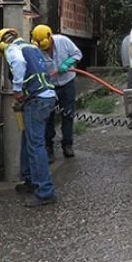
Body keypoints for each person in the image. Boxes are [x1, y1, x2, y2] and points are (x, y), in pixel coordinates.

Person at [0, 29, 57, 207]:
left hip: (36, 100)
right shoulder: (31, 47)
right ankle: (30, 180)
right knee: (29, 139)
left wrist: (17, 89)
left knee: (36, 145)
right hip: (48, 97)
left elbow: (19, 64)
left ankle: (45, 192)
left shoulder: (12, 49)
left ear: (2, 43)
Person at [31, 24, 82, 160]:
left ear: (50, 38)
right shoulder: (36, 50)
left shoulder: (63, 41)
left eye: (47, 47)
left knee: (68, 114)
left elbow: (78, 54)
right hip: (49, 85)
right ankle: (48, 147)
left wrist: (67, 63)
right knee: (48, 116)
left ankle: (67, 144)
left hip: (67, 82)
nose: (46, 50)